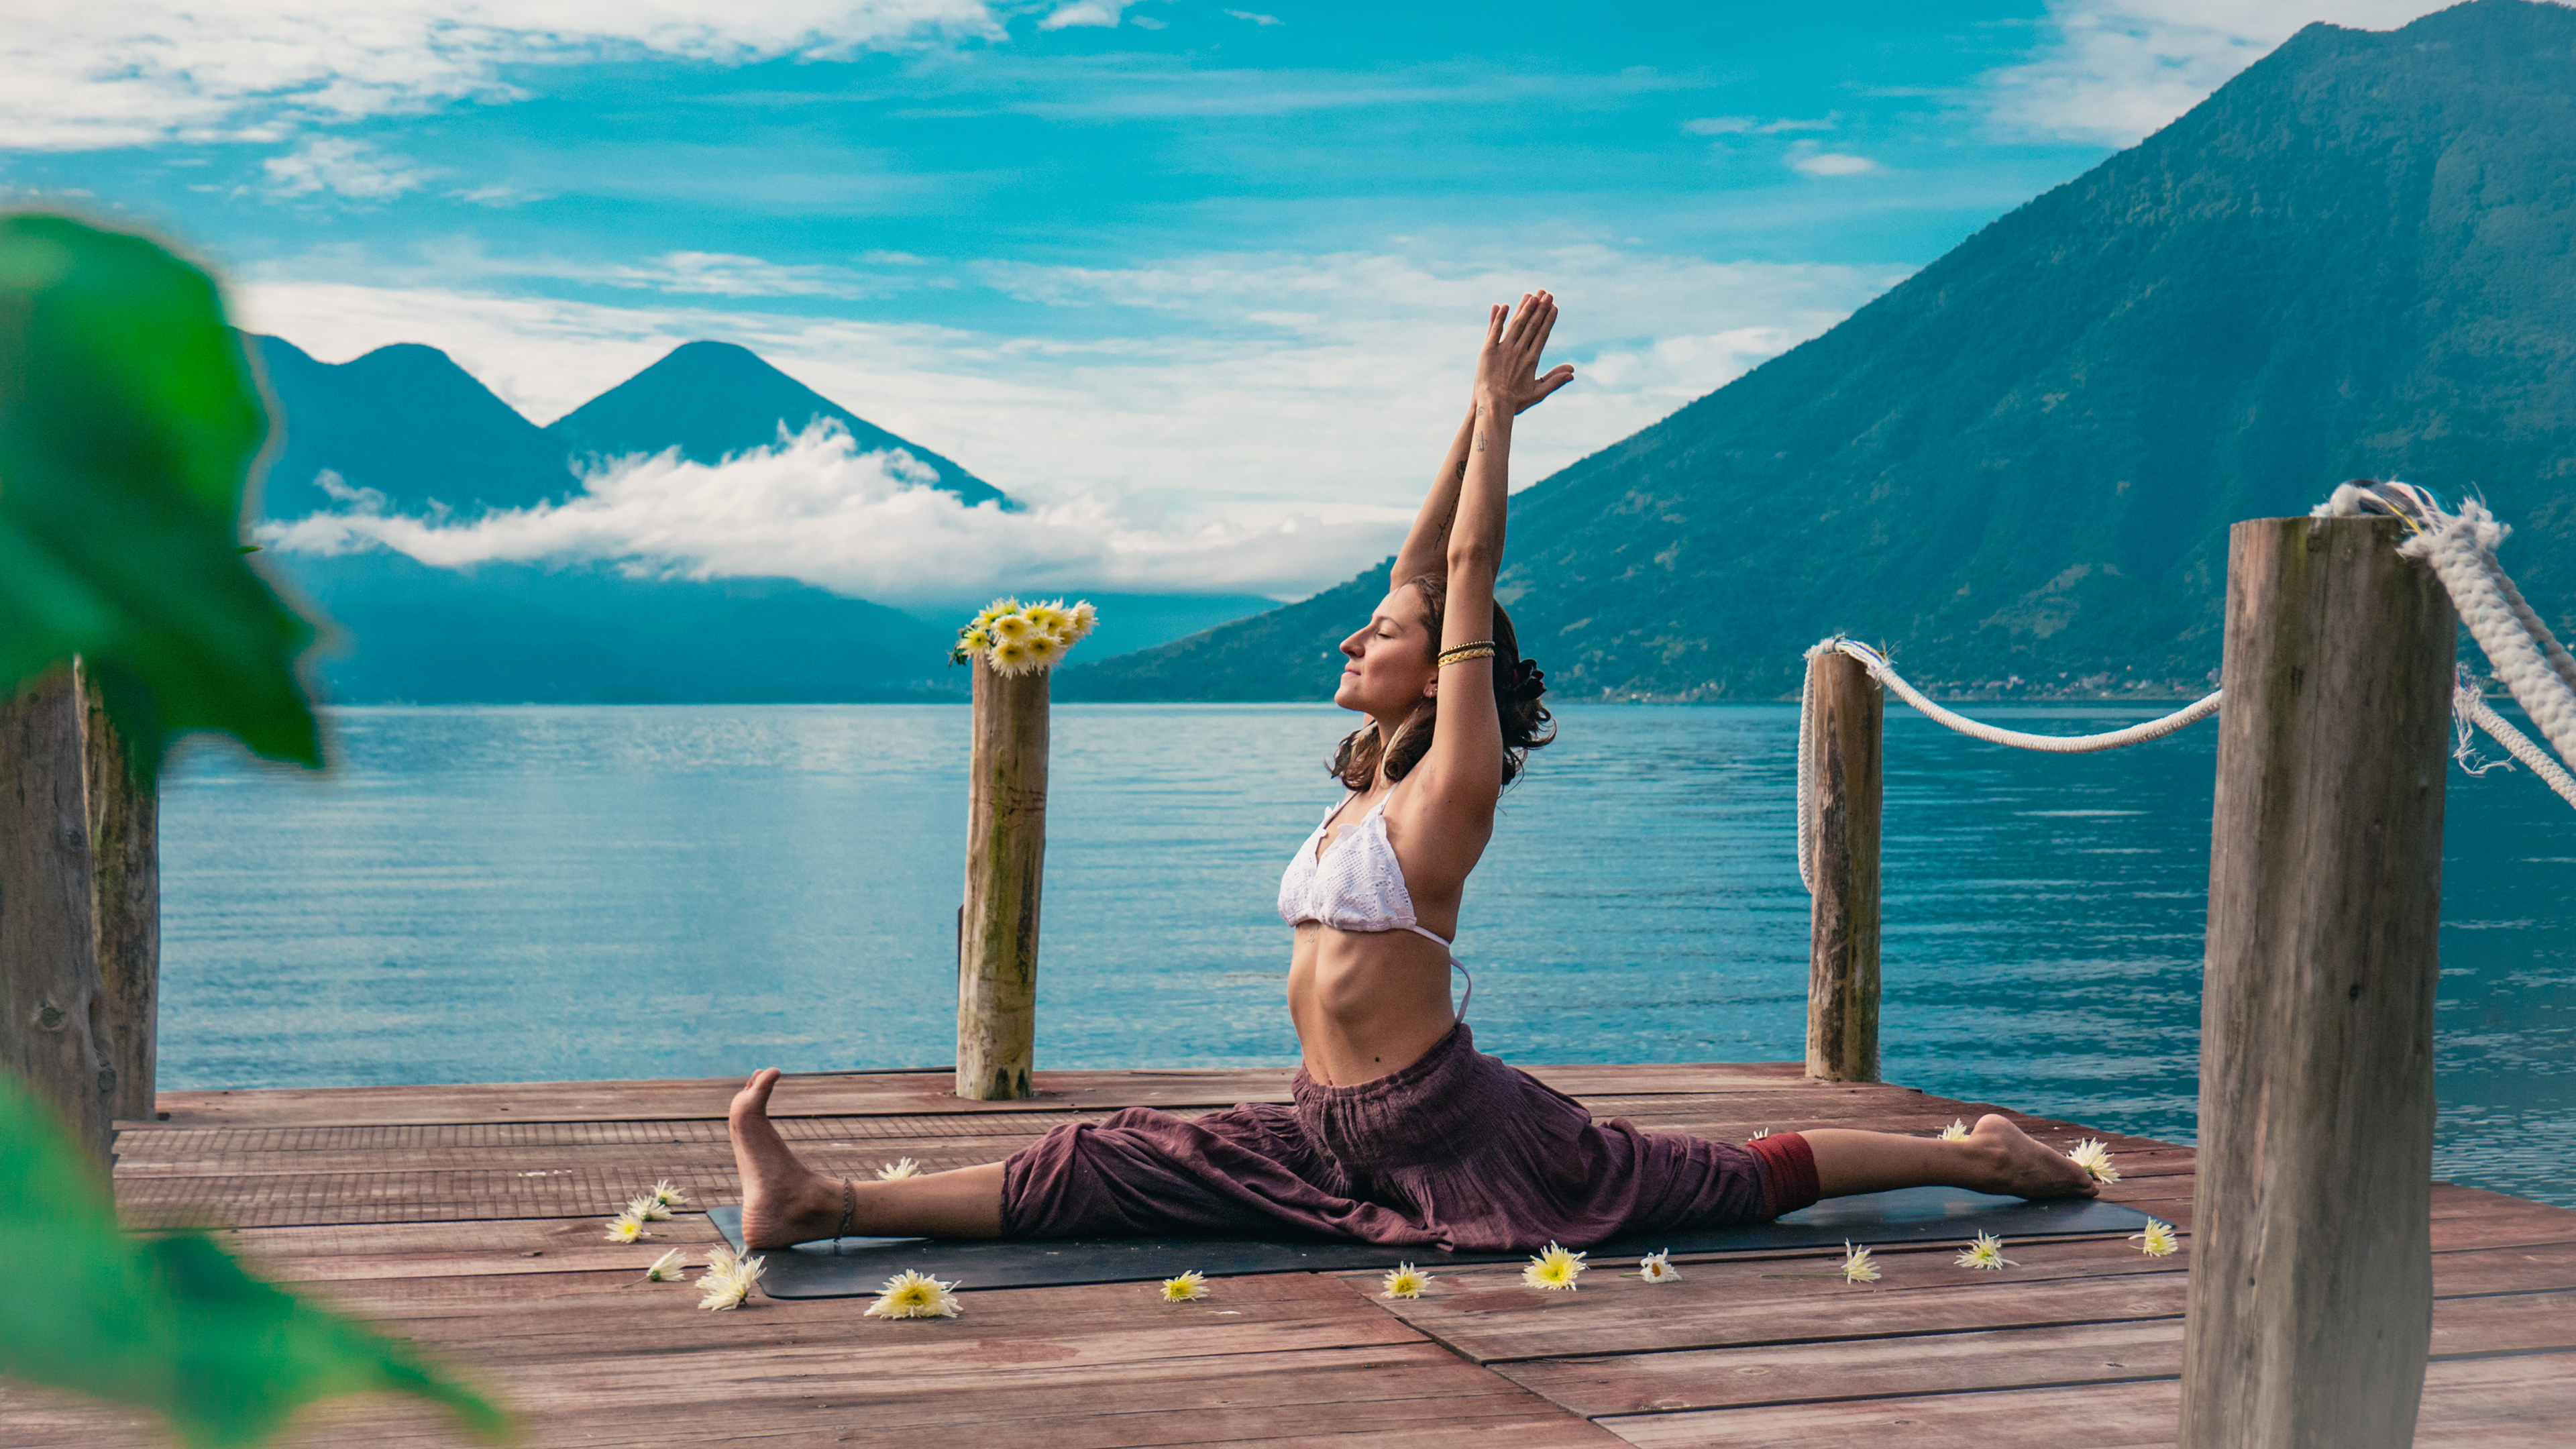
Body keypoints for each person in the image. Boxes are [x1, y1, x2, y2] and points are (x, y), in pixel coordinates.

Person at [725, 290, 2096, 1251]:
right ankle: (821, 1203)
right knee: (1098, 1161)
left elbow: (1465, 576)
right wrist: (1465, 411)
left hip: (1445, 1133)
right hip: (1328, 1126)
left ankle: (1966, 1157)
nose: (1355, 630)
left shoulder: (1452, 788)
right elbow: (1423, 558)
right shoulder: (1370, 786)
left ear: (1444, 666)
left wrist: (1505, 425)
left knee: (1728, 1181)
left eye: (1385, 635)